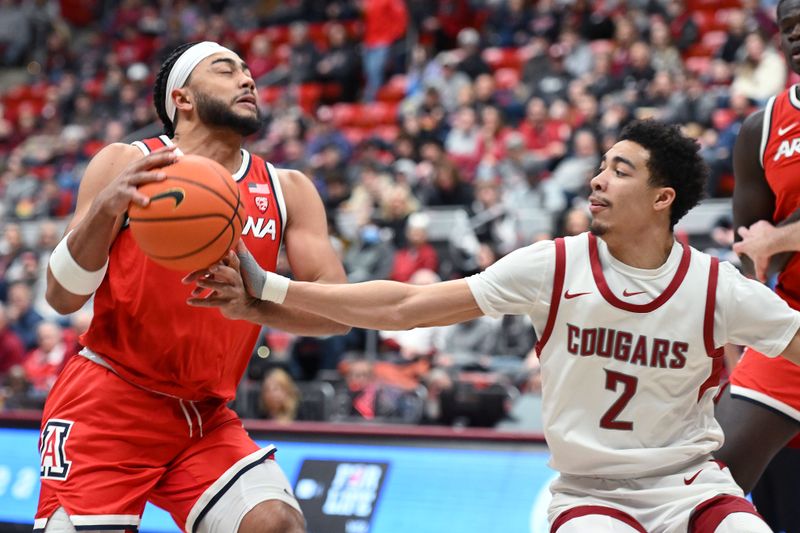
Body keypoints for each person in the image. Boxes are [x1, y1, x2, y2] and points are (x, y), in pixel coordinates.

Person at [189, 119, 800, 532]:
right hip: (592, 494)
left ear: (663, 199)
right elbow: (405, 306)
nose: (596, 179)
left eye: (619, 170)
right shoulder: (553, 264)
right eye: (600, 166)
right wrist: (271, 286)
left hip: (691, 488)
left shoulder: (714, 285)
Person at [37, 41, 349, 533]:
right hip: (110, 400)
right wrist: (105, 210)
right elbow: (61, 297)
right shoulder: (127, 162)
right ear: (181, 98)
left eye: (249, 72)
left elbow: (339, 311)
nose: (248, 80)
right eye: (226, 71)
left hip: (203, 415)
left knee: (276, 524)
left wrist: (257, 305)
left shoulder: (287, 187)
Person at [714, 0, 800, 520]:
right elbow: (753, 252)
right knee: (706, 483)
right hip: (792, 327)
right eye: (788, 26)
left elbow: (772, 238)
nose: (796, 35)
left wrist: (781, 237)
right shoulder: (762, 128)